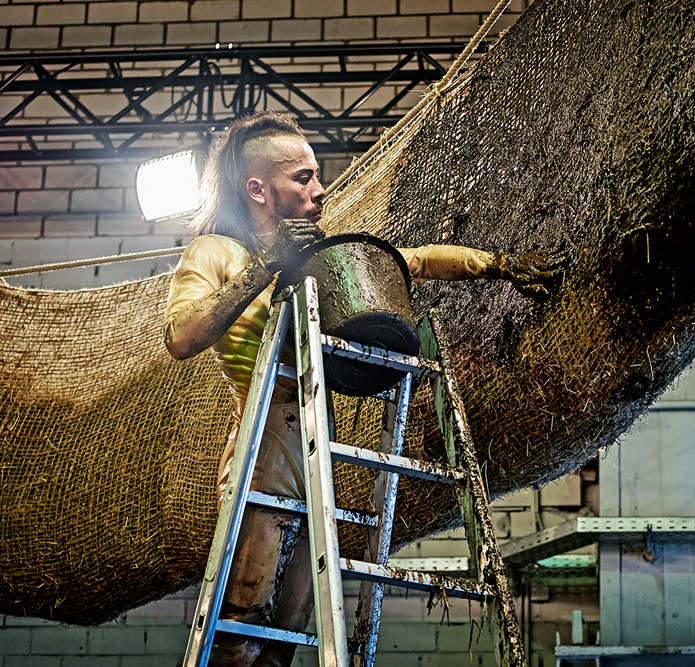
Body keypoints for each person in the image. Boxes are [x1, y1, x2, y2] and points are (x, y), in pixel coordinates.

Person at [162, 111, 561, 667]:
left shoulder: (318, 257)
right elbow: (180, 336)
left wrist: (497, 264)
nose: (319, 190)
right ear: (257, 189)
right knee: (241, 636)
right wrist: (263, 272)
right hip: (263, 460)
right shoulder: (216, 253)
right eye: (302, 178)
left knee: (288, 646)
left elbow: (409, 261)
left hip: (316, 462)